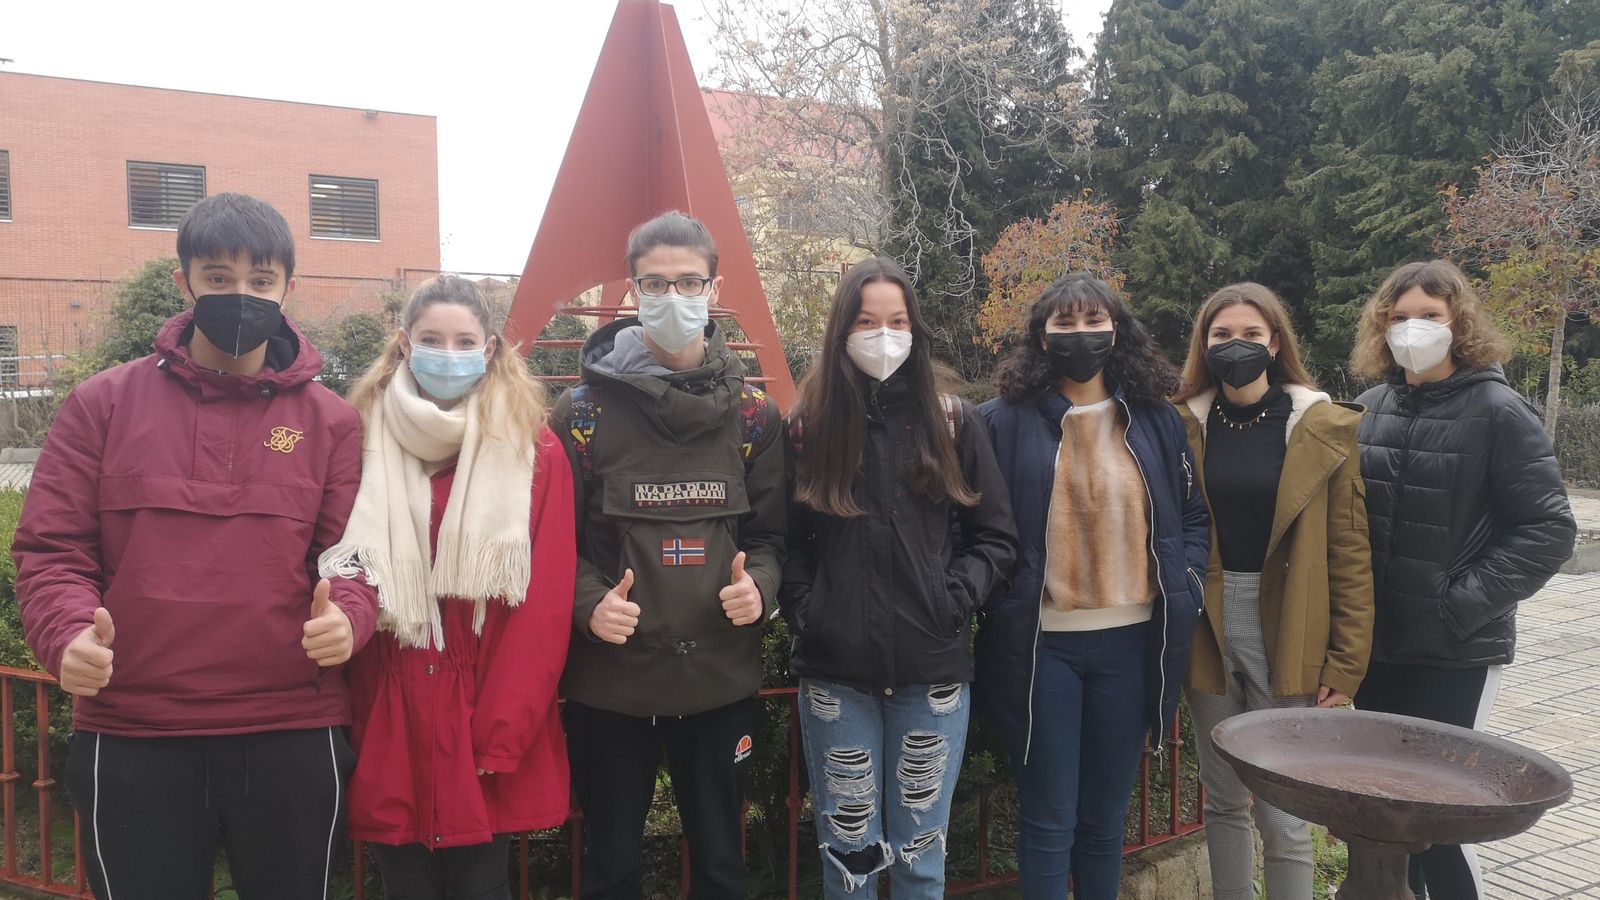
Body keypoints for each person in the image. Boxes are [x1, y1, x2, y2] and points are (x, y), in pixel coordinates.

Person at [12, 193, 376, 900]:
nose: (240, 296)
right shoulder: (103, 404)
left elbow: (354, 557)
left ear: (287, 288)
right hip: (133, 731)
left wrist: (350, 617)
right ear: (184, 282)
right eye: (217, 278)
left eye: (260, 281)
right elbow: (52, 550)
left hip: (291, 732)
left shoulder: (331, 423)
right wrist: (66, 635)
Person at [319, 275, 576, 899]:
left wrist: (503, 730)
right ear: (404, 344)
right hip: (389, 711)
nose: (448, 352)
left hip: (480, 716)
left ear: (490, 350)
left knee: (480, 887)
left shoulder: (534, 450)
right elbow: (338, 564)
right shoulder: (355, 439)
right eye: (432, 339)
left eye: (465, 341)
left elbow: (542, 610)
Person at [552, 211, 785, 900]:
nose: (675, 297)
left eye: (690, 282)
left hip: (719, 681)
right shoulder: (583, 414)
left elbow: (773, 539)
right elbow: (550, 545)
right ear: (633, 290)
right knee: (611, 868)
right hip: (611, 686)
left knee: (720, 867)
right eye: (657, 283)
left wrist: (763, 589)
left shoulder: (753, 417)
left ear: (714, 289)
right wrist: (589, 604)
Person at [780, 256, 1016, 899]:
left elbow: (995, 535)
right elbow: (788, 542)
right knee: (850, 866)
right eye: (865, 321)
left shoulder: (952, 421)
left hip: (931, 679)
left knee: (919, 861)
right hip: (836, 679)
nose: (883, 335)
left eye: (896, 321)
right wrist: (810, 609)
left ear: (915, 330)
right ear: (840, 332)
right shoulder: (807, 426)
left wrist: (955, 597)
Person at [976, 273, 1208, 900]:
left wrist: (1186, 582)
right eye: (1065, 323)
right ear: (1040, 337)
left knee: (1105, 823)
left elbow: (1191, 517)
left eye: (1094, 321)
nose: (1081, 335)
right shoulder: (999, 422)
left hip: (1132, 646)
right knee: (1049, 818)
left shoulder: (1158, 420)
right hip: (1040, 648)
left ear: (1117, 329)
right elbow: (975, 525)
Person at [1351, 259, 1574, 900]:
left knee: (1441, 821)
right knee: (1385, 816)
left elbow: (1548, 530)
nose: (1411, 329)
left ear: (1459, 324)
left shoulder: (1498, 410)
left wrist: (1459, 604)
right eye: (1398, 318)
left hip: (1453, 651)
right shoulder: (1369, 408)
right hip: (1377, 650)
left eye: (1428, 316)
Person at [1172, 282, 1374, 900]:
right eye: (1222, 335)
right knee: (1224, 798)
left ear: (1276, 341)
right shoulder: (1180, 426)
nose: (1237, 346)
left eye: (1251, 335)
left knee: (1285, 810)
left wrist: (1346, 660)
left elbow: (1350, 552)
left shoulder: (1319, 426)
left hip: (1291, 619)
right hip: (1208, 620)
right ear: (1203, 347)